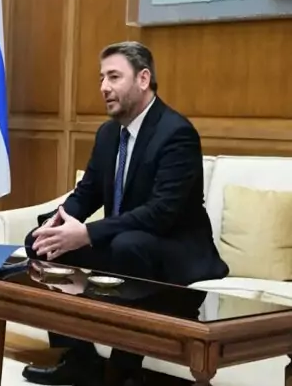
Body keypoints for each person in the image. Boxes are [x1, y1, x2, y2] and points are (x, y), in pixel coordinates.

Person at [21, 41, 229, 386]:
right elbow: (87, 192)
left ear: (143, 79)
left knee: (128, 245)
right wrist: (57, 222)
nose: (104, 87)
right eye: (101, 78)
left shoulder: (176, 133)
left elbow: (161, 213)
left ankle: (124, 368)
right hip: (126, 247)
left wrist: (87, 233)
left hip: (174, 256)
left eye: (114, 77)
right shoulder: (108, 134)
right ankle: (79, 357)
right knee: (41, 243)